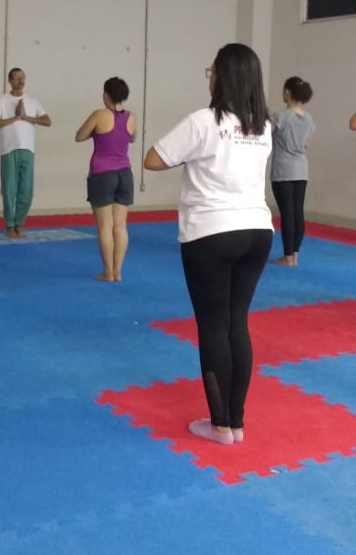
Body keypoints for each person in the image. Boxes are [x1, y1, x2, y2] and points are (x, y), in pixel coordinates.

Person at [144, 43, 273, 446]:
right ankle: (236, 423)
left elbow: (153, 159)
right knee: (237, 323)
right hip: (257, 230)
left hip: (211, 231)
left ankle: (219, 425)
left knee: (214, 326)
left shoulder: (203, 120)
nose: (209, 77)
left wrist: (194, 156)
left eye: (211, 71)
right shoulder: (263, 126)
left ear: (222, 76)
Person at [75, 77, 136, 281]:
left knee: (104, 226)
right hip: (125, 174)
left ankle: (107, 272)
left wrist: (96, 133)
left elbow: (79, 136)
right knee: (120, 226)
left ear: (105, 95)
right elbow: (132, 137)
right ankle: (117, 272)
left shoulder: (99, 115)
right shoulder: (131, 117)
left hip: (102, 174)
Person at [0, 67, 51, 238]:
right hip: (9, 149)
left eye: (22, 78)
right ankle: (9, 225)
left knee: (26, 191)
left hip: (28, 150)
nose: (20, 81)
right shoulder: (2, 100)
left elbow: (47, 121)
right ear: (10, 81)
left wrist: (25, 117)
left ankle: (18, 224)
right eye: (16, 78)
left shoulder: (32, 101)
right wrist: (16, 118)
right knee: (10, 190)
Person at [270, 76, 315, 267]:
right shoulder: (309, 119)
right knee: (297, 213)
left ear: (287, 92)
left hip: (283, 170)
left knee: (287, 214)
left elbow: (263, 135)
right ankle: (294, 255)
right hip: (301, 169)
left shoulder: (280, 117)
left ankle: (287, 257)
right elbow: (305, 144)